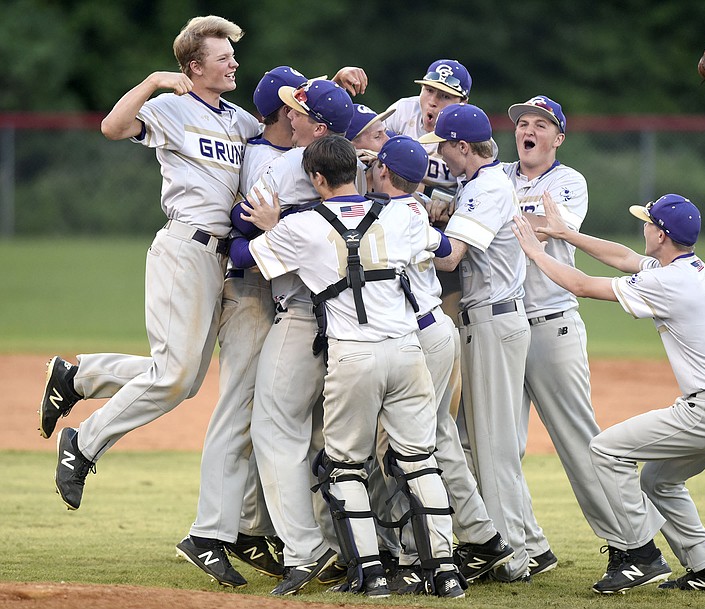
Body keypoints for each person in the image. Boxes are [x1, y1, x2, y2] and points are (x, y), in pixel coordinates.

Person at [40, 16, 262, 513]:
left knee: (181, 380)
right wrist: (153, 81)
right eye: (222, 56)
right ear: (192, 66)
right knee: (175, 376)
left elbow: (284, 130)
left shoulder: (238, 119)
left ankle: (78, 378)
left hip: (219, 259)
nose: (233, 63)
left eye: (231, 54)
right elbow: (113, 127)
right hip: (184, 248)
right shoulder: (170, 107)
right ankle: (84, 442)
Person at [242, 135, 467, 598]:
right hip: (408, 351)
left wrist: (271, 225)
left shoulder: (302, 224)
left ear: (317, 179)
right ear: (359, 172)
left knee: (344, 467)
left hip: (353, 355)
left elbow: (246, 257)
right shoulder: (402, 214)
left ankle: (372, 574)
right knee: (420, 462)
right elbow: (442, 248)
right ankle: (444, 572)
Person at [177, 64, 369, 589]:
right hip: (358, 323)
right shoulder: (360, 168)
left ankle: (303, 552)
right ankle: (362, 552)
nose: (294, 114)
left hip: (303, 315)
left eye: (304, 111)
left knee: (273, 431)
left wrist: (269, 226)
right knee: (335, 440)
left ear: (320, 129)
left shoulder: (293, 167)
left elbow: (240, 235)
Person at [512, 192, 705, 594]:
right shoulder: (686, 267)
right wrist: (566, 234)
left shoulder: (667, 282)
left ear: (660, 234)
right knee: (658, 482)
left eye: (647, 221)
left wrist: (536, 253)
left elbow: (583, 286)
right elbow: (624, 258)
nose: (643, 226)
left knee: (606, 449)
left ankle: (639, 555)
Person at [370, 135, 515, 590]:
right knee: (438, 436)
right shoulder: (413, 210)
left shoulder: (389, 218)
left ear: (383, 172)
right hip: (438, 328)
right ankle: (484, 536)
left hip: (418, 334)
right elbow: (443, 249)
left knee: (402, 445)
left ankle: (419, 554)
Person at [502, 95, 622, 575]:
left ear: (558, 138)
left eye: (539, 125)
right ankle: (527, 547)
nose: (527, 130)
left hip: (552, 322)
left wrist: (485, 218)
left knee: (579, 441)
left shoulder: (568, 181)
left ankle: (630, 546)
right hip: (502, 326)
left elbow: (552, 229)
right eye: (522, 123)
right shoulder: (498, 176)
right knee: (501, 445)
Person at [420, 104, 532, 583]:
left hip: (495, 319)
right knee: (474, 440)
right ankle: (513, 547)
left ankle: (515, 556)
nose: (441, 156)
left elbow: (450, 260)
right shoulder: (476, 184)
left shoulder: (487, 187)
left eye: (444, 146)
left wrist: (399, 220)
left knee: (493, 446)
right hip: (483, 319)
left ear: (463, 147)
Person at [384, 59, 473, 321]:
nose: (432, 101)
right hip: (397, 221)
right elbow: (377, 163)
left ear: (462, 103)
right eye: (429, 90)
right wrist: (421, 197)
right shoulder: (403, 111)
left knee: (447, 317)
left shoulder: (474, 132)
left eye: (445, 96)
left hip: (446, 231)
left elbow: (478, 193)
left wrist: (451, 202)